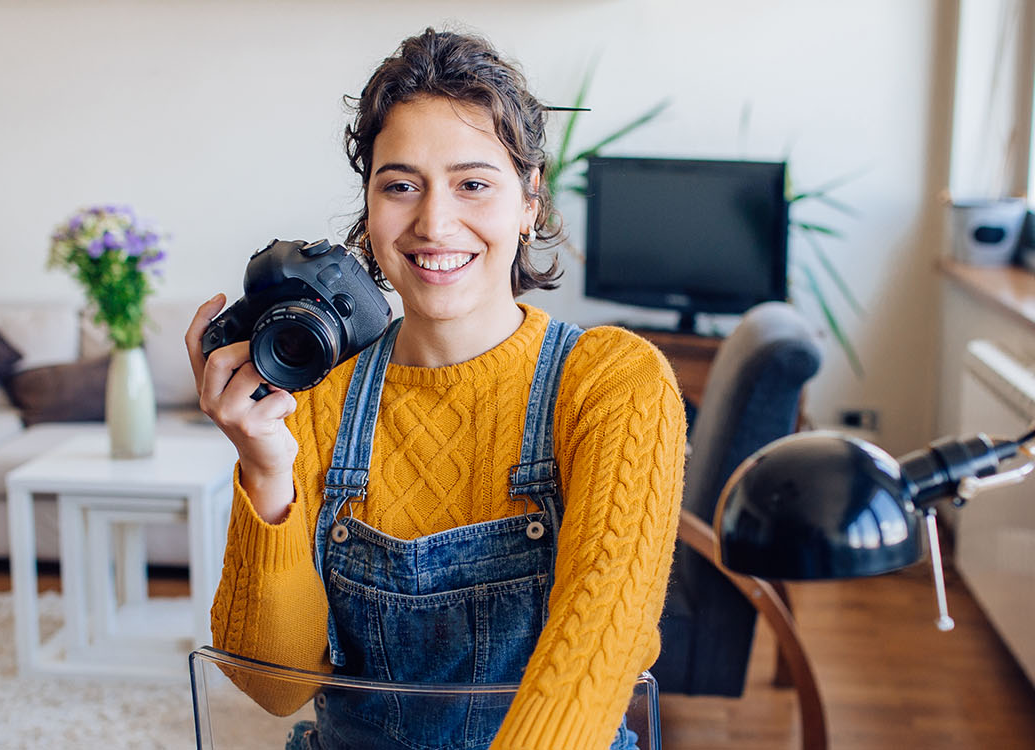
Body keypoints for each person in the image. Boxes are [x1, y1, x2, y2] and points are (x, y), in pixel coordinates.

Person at [186, 27, 685, 750]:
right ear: (369, 208)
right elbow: (275, 686)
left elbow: (600, 644)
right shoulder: (320, 392)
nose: (434, 221)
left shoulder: (612, 383)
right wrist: (264, 466)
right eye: (400, 185)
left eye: (473, 183)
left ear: (529, 203)